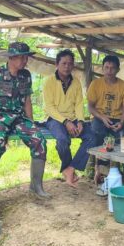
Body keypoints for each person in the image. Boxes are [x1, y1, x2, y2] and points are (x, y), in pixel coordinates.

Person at [0, 41, 49, 198]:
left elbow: (27, 100)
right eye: (21, 57)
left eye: (26, 57)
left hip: (18, 118)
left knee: (39, 140)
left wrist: (31, 122)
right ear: (11, 58)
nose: (25, 61)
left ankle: (36, 186)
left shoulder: (25, 75)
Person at [43, 49, 96, 187]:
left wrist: (80, 121)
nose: (67, 66)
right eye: (64, 63)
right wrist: (66, 122)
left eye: (70, 64)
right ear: (57, 64)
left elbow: (79, 104)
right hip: (54, 119)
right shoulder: (49, 82)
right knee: (62, 140)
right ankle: (68, 168)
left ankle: (70, 169)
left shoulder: (76, 82)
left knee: (92, 137)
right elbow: (49, 107)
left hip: (73, 119)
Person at [87, 54, 124, 186]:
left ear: (118, 69)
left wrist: (121, 122)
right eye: (106, 67)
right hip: (99, 117)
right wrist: (102, 117)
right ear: (102, 68)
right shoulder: (95, 84)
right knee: (97, 134)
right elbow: (90, 107)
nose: (109, 71)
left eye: (112, 68)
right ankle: (99, 168)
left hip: (117, 119)